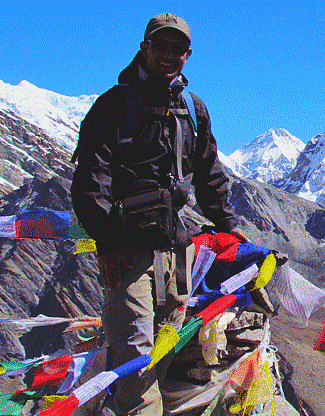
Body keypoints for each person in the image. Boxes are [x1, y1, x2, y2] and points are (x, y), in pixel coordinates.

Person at [71, 13, 247, 415]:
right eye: (160, 46)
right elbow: (89, 182)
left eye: (176, 48)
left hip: (177, 252)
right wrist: (109, 243)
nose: (168, 55)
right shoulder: (114, 106)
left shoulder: (192, 108)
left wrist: (228, 226)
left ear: (187, 55)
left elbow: (208, 173)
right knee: (135, 360)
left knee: (164, 346)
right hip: (128, 253)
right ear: (144, 49)